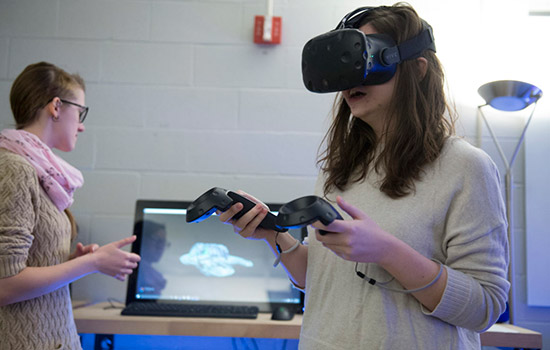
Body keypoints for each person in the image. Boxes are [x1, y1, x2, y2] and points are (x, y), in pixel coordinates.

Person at [218, 4, 509, 349]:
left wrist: (387, 251)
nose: (350, 79)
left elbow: (485, 308)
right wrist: (274, 235)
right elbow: (326, 280)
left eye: (363, 58)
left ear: (417, 69)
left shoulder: (465, 166)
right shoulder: (340, 168)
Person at [0, 62, 141, 350]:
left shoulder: (39, 170)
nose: (81, 125)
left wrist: (70, 262)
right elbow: (6, 284)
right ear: (56, 107)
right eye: (79, 111)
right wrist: (90, 263)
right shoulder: (15, 169)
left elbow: (26, 265)